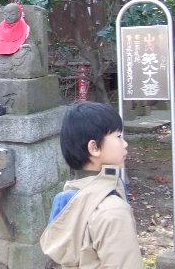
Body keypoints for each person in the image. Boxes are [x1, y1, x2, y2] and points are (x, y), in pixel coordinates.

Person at [40, 102, 144, 269]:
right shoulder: (112, 210)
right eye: (118, 136)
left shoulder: (71, 195)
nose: (125, 143)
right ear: (94, 147)